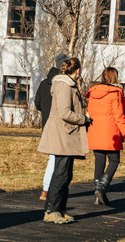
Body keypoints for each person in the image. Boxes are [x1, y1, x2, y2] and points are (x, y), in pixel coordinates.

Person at [37, 57, 89, 224]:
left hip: (66, 135)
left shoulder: (67, 84)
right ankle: (51, 210)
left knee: (66, 174)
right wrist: (84, 118)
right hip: (63, 135)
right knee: (61, 174)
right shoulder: (64, 86)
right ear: (77, 70)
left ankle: (60, 209)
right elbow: (65, 113)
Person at [85, 67, 125, 206]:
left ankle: (98, 196)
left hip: (95, 131)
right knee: (114, 161)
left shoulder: (93, 92)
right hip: (111, 132)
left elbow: (89, 112)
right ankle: (102, 187)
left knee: (99, 163)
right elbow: (119, 116)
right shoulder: (115, 93)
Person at [33, 52, 68, 201]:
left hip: (46, 125)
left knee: (53, 158)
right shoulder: (63, 84)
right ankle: (47, 190)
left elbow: (37, 104)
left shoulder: (43, 83)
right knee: (56, 160)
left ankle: (48, 189)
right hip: (59, 126)